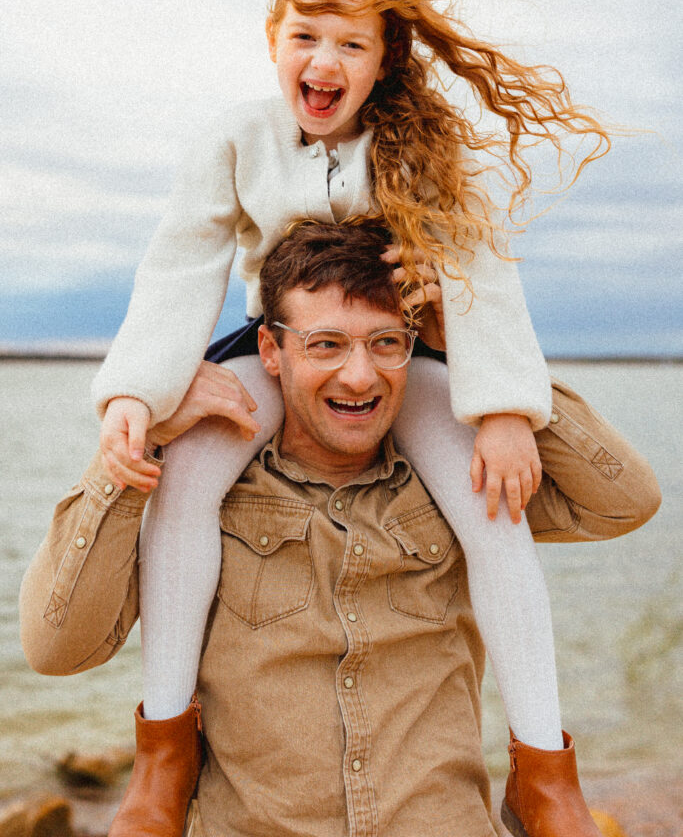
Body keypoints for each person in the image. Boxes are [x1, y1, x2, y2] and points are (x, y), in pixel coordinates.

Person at [86, 0, 619, 835]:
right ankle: (164, 751)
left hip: (405, 353)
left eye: (350, 43)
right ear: (272, 38)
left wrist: (502, 411)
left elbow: (481, 270)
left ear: (383, 58)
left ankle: (542, 770)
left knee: (492, 512)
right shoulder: (236, 137)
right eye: (305, 35)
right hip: (284, 352)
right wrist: (136, 392)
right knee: (188, 479)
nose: (323, 61)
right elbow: (179, 263)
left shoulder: (421, 146)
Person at [20, 221, 661, 837]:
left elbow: (623, 500)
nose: (359, 375)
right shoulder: (201, 494)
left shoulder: (463, 479)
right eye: (325, 344)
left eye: (385, 342)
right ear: (269, 352)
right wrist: (137, 444)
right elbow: (57, 648)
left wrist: (481, 358)